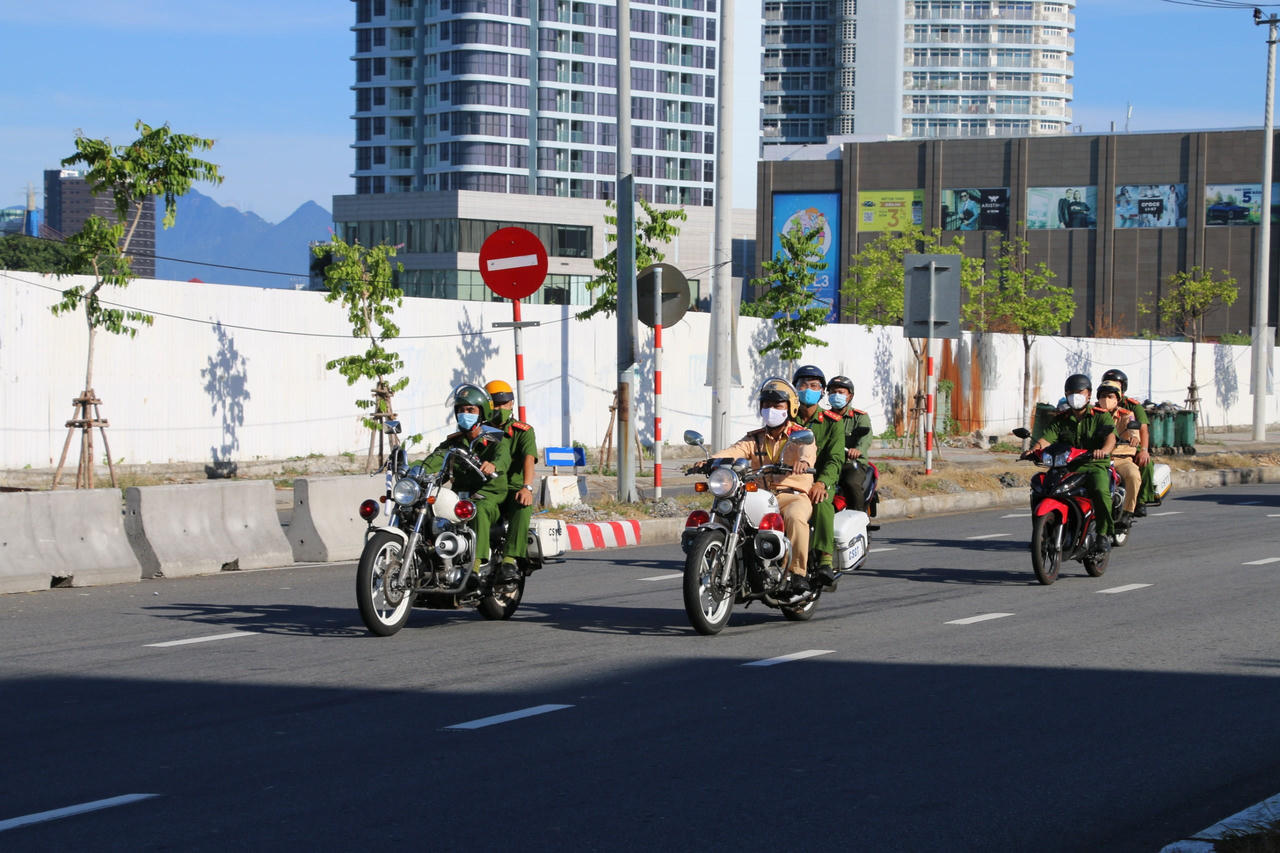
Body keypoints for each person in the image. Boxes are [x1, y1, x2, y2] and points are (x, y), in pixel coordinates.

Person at [699, 378, 819, 592]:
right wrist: (709, 461)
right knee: (726, 513)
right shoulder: (754, 438)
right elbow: (734, 451)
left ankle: (797, 572)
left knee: (795, 517)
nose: (770, 410)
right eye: (766, 405)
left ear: (790, 408)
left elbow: (807, 449)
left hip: (790, 495)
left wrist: (803, 462)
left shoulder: (799, 434)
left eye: (777, 406)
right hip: (758, 496)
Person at [421, 384, 511, 579]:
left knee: (479, 509)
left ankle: (476, 566)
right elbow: (436, 457)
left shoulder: (495, 439)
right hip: (460, 495)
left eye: (470, 410)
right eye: (460, 410)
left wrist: (493, 465)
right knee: (426, 507)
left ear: (482, 413)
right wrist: (417, 469)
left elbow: (503, 456)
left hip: (490, 494)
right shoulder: (454, 442)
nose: (464, 414)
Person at [1027, 373, 1117, 549]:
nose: (1075, 396)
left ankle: (1103, 533)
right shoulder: (1061, 419)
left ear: (1089, 394)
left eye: (1079, 392)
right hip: (1067, 467)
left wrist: (1103, 451)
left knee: (1100, 489)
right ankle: (1041, 534)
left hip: (1094, 465)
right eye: (1070, 392)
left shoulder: (1101, 416)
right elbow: (1046, 439)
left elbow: (1111, 438)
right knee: (1040, 487)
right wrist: (1033, 450)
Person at [790, 364, 845, 588]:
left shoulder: (832, 422)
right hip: (789, 479)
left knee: (821, 503)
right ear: (795, 389)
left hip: (821, 479)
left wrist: (822, 482)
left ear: (822, 391)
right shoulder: (787, 419)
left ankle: (824, 559)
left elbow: (834, 458)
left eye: (814, 386)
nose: (808, 389)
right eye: (803, 385)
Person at [485, 379, 536, 584]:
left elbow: (529, 459)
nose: (499, 409)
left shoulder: (523, 431)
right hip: (487, 488)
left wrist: (527, 487)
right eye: (495, 405)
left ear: (511, 404)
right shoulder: (479, 431)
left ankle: (509, 560)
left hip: (513, 488)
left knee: (522, 505)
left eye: (503, 404)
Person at [1100, 367, 1154, 516]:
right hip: (1102, 450)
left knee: (1145, 463)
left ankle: (1141, 500)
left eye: (1117, 385)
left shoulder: (1132, 407)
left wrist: (1143, 449)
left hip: (1127, 447)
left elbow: (1141, 429)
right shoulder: (1098, 407)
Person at [1095, 381, 1142, 531]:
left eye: (1110, 396)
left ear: (1117, 399)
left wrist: (1134, 438)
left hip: (1120, 458)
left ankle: (1128, 513)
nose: (1106, 399)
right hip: (1096, 458)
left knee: (1134, 475)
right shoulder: (1092, 414)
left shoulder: (1126, 415)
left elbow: (1134, 430)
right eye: (1103, 396)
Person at [825, 374, 874, 514]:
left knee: (851, 483)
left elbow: (866, 437)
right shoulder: (824, 418)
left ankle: (860, 517)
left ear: (850, 396)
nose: (836, 395)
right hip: (829, 462)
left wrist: (857, 449)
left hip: (852, 463)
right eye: (833, 392)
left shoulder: (860, 417)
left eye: (841, 392)